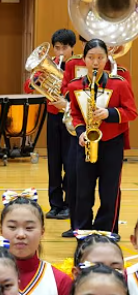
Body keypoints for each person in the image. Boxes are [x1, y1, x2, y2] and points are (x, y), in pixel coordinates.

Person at [68, 39, 137, 236]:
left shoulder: (119, 83)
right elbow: (75, 114)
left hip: (112, 143)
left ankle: (106, 231)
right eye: (91, 57)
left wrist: (109, 113)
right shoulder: (75, 85)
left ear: (107, 59)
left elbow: (131, 112)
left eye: (100, 57)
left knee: (109, 191)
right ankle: (83, 231)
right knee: (82, 191)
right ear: (84, 59)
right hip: (86, 143)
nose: (96, 62)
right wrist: (81, 132)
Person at [24, 29, 75, 221]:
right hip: (53, 117)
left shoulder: (77, 66)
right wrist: (35, 80)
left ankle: (69, 204)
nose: (60, 52)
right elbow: (29, 87)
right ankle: (55, 204)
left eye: (64, 48)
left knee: (70, 163)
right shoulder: (48, 65)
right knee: (54, 162)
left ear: (72, 48)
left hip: (72, 118)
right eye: (57, 48)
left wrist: (66, 100)